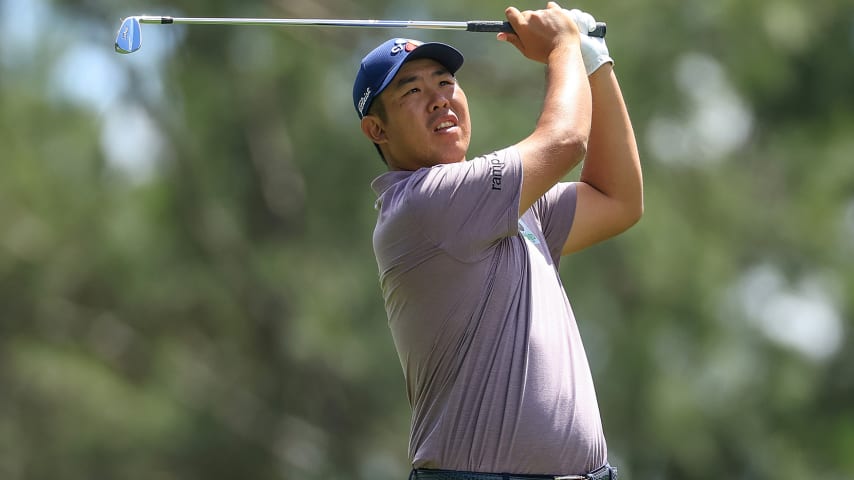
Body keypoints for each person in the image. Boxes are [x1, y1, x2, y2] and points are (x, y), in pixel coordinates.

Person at [352, 2, 642, 479]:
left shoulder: (499, 204)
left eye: (445, 83)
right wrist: (565, 45)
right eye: (413, 90)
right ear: (377, 129)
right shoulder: (423, 203)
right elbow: (566, 141)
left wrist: (594, 61)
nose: (440, 98)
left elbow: (618, 198)